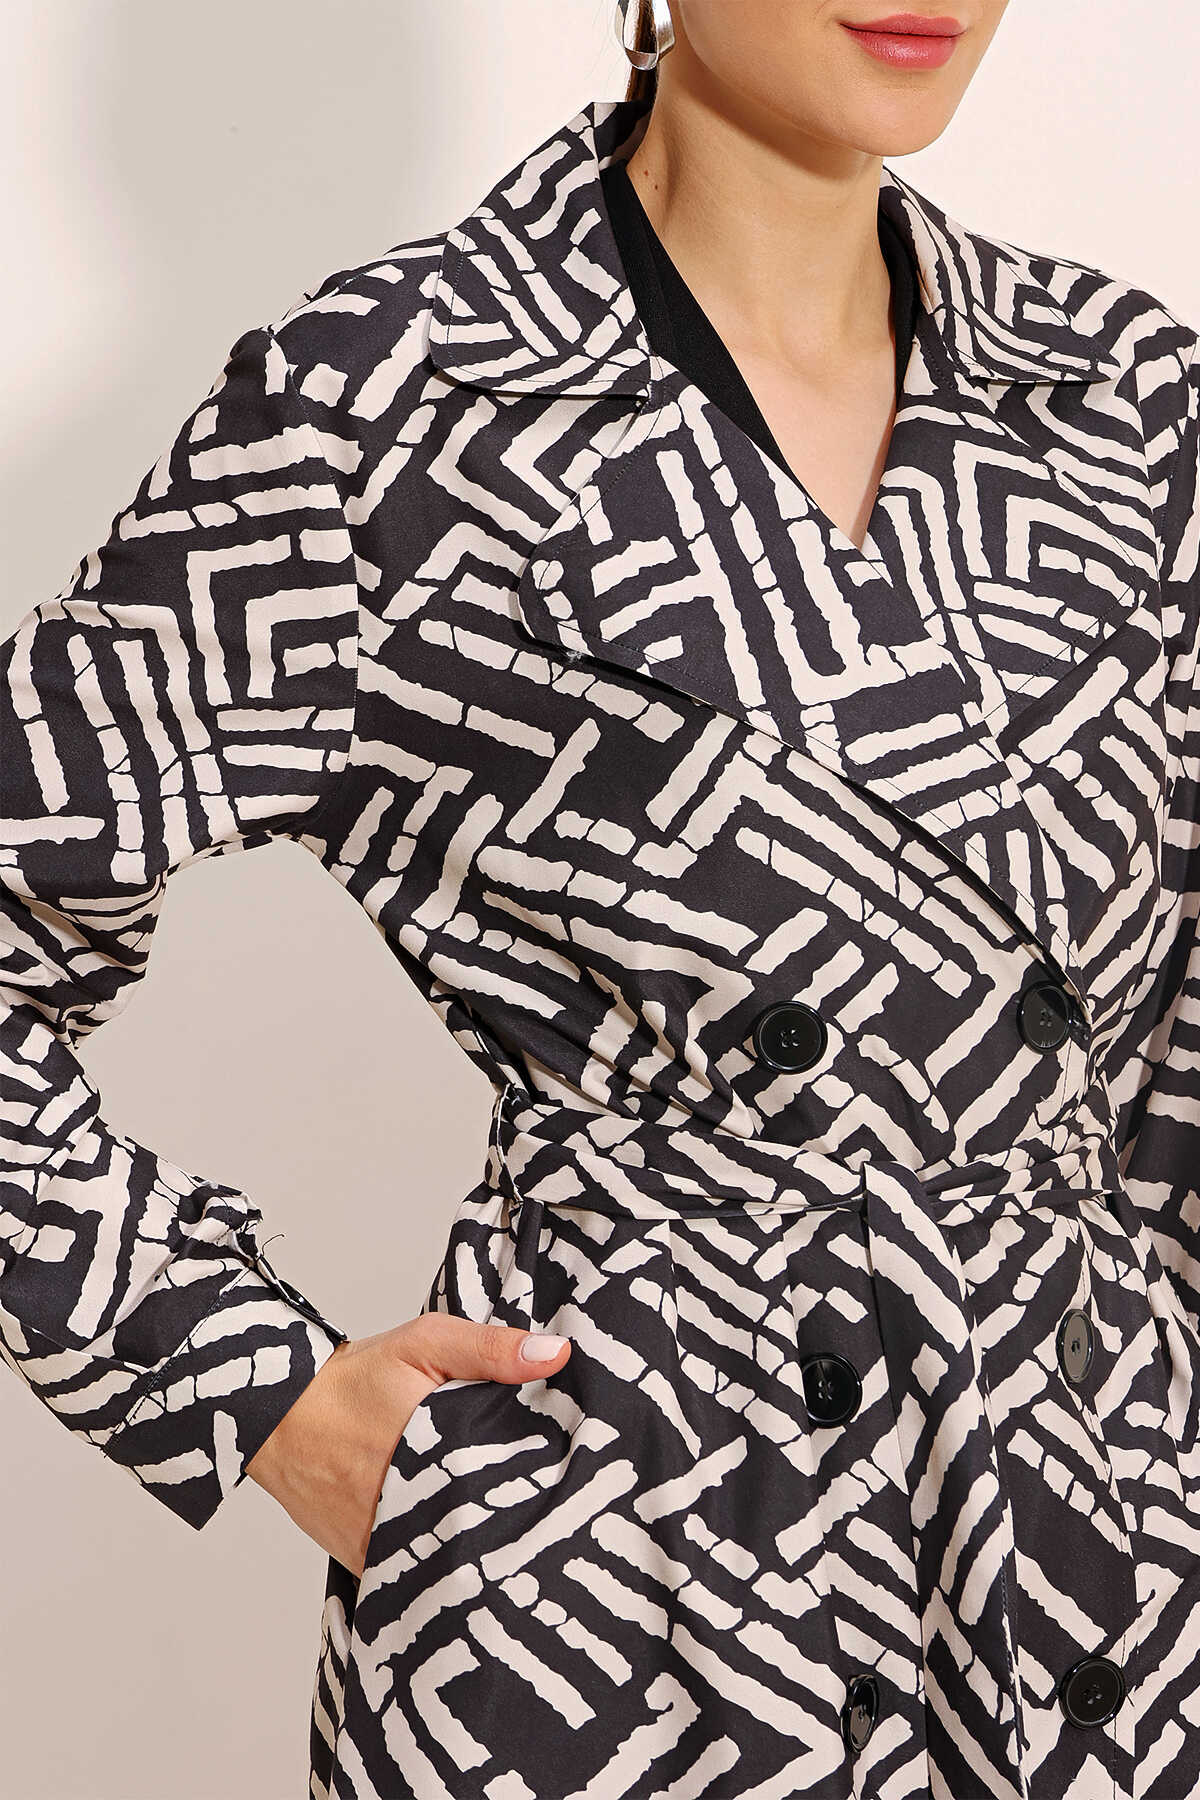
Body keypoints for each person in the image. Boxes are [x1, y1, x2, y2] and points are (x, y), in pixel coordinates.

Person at [4, 2, 1200, 1796]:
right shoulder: (389, 401)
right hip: (630, 1593)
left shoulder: (1124, 398)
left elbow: (1174, 1058)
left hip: (1096, 1567)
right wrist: (254, 1387)